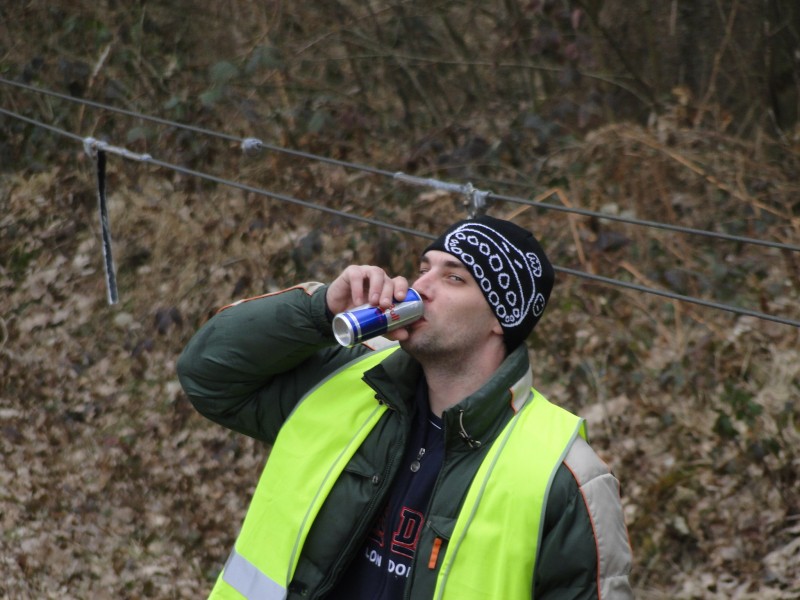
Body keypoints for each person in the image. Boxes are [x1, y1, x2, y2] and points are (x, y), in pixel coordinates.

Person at [177, 215, 634, 599]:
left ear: (501, 319)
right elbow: (208, 376)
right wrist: (321, 310)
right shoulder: (343, 380)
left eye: (453, 277)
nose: (420, 286)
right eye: (423, 268)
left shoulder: (567, 476)